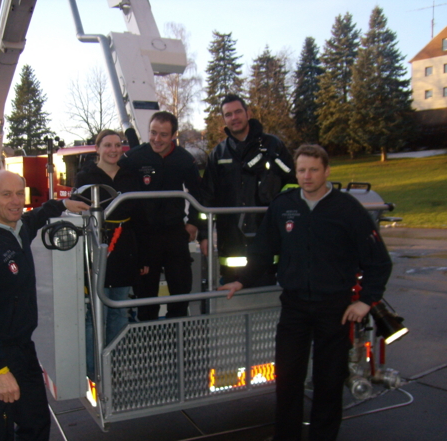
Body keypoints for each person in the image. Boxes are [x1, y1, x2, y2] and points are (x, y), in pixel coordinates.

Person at [219, 145, 392, 441]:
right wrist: (240, 280)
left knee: (329, 381)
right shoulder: (284, 205)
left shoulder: (347, 209)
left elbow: (379, 261)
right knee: (287, 381)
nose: (307, 176)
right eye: (301, 170)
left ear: (326, 171)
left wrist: (365, 301)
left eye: (313, 170)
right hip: (295, 307)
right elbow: (262, 252)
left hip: (334, 308)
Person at [0, 170, 89, 441]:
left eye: (19, 194)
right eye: (6, 194)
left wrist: (62, 204)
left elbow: (34, 217)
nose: (16, 201)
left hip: (23, 350)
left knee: (35, 424)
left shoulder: (17, 229)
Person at [201, 93, 295, 283]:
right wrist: (203, 234)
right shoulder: (218, 153)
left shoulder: (274, 146)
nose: (234, 118)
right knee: (231, 293)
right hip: (231, 241)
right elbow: (207, 198)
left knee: (267, 290)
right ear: (224, 120)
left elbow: (292, 185)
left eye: (238, 112)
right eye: (228, 114)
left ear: (248, 113)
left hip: (268, 235)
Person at [75, 129, 146, 378]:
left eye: (118, 145)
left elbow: (139, 218)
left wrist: (142, 256)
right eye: (108, 145)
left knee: (119, 309)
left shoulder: (130, 175)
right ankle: (94, 369)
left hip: (125, 246)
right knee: (95, 312)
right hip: (97, 246)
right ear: (98, 148)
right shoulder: (85, 177)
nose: (114, 149)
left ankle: (115, 364)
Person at [119, 111, 202, 321]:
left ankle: (178, 335)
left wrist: (193, 223)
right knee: (146, 292)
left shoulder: (184, 159)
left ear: (174, 135)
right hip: (144, 235)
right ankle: (148, 339)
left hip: (174, 232)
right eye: (153, 133)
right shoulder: (134, 158)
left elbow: (199, 193)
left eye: (163, 135)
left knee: (180, 287)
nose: (157, 139)